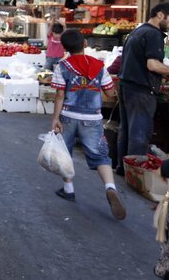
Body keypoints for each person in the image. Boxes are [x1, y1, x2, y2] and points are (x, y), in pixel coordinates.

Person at [49, 29, 125, 219]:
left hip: (67, 115)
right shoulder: (99, 66)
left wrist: (55, 118)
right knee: (100, 155)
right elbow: (109, 93)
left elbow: (59, 95)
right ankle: (110, 187)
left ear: (64, 48)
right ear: (84, 43)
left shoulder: (62, 66)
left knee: (64, 153)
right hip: (92, 119)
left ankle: (68, 189)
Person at [116, 2, 169, 176]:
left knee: (126, 130)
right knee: (139, 133)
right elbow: (153, 65)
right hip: (141, 90)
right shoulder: (154, 34)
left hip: (127, 87)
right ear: (160, 15)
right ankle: (135, 175)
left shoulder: (138, 30)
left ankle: (122, 169)